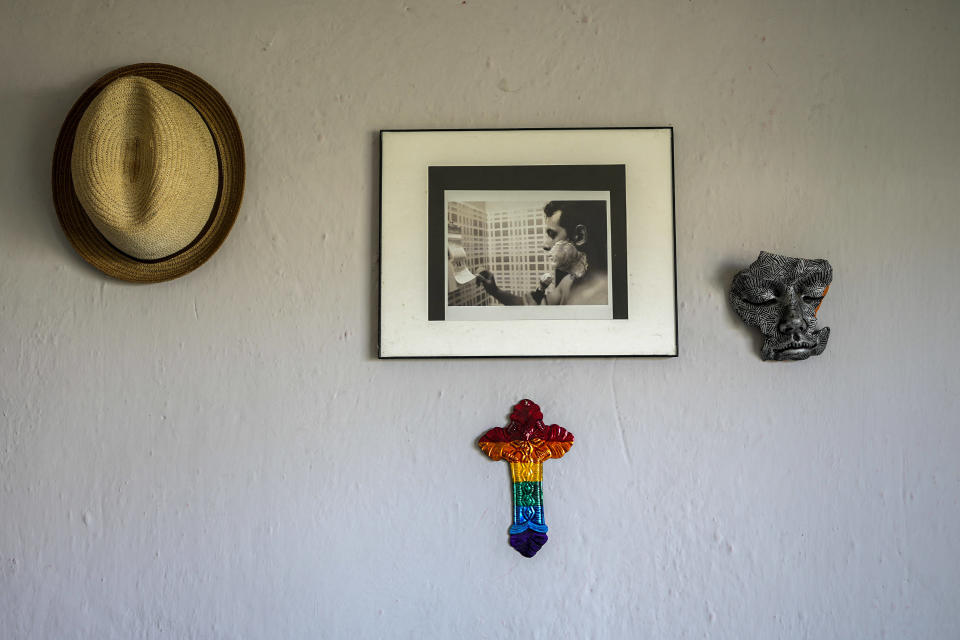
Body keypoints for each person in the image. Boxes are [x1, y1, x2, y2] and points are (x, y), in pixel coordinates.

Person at [476, 200, 608, 306]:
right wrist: (494, 290)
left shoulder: (607, 295)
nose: (545, 245)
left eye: (552, 234)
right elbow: (530, 307)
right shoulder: (568, 282)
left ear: (579, 236)